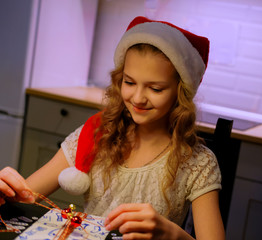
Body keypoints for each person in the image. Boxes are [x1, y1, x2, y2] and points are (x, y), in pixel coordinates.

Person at [0, 16, 225, 240]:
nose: (138, 98)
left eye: (155, 89)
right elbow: (23, 198)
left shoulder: (197, 163)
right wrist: (4, 191)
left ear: (181, 92)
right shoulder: (96, 136)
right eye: (129, 82)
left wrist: (172, 234)